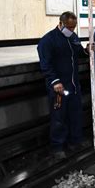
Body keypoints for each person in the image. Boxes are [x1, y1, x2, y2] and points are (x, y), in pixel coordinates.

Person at [37, 11, 86, 159]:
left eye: (74, 27)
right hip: (59, 87)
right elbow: (46, 64)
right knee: (59, 117)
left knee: (75, 114)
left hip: (73, 85)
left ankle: (75, 142)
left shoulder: (73, 38)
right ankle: (57, 147)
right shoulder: (48, 41)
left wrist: (88, 51)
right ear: (60, 23)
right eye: (69, 27)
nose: (71, 30)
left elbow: (79, 53)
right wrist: (54, 81)